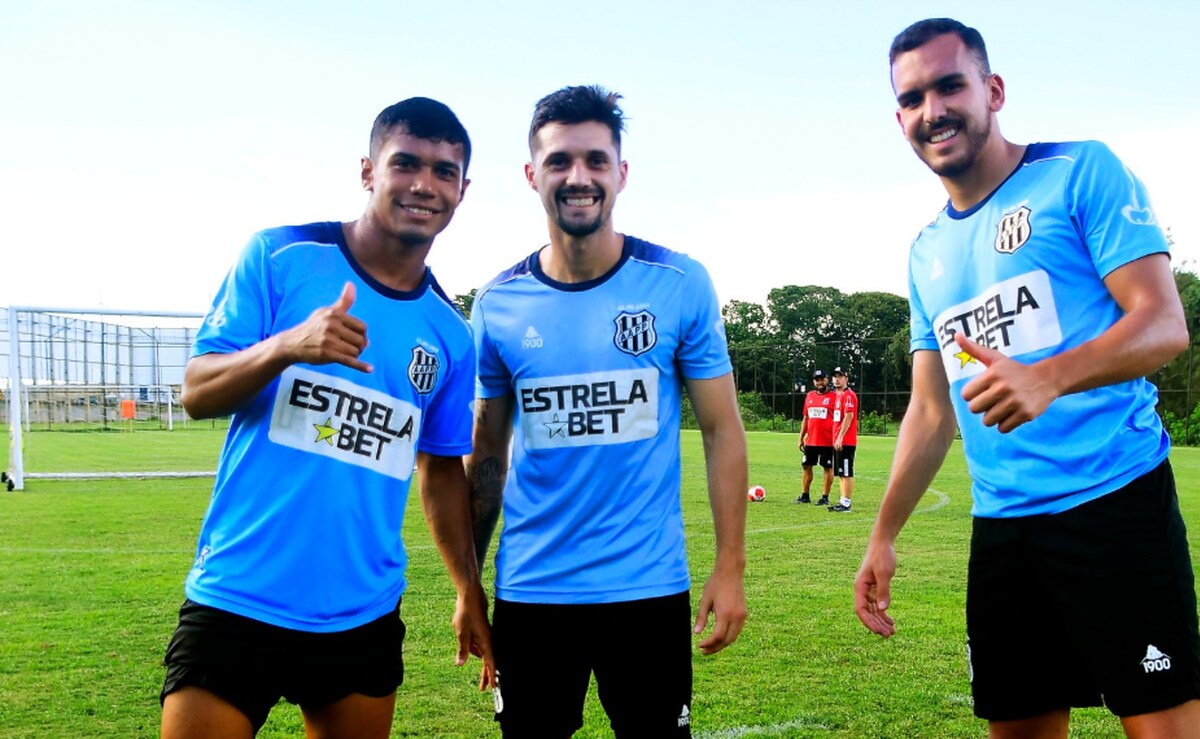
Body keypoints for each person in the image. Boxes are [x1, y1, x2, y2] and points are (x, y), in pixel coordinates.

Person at [853, 18, 1200, 739]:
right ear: (900, 120)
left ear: (992, 90)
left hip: (1115, 503)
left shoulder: (1080, 171)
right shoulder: (926, 251)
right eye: (913, 97)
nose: (934, 110)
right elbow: (930, 410)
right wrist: (883, 533)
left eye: (950, 85)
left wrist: (1049, 377)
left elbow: (1163, 320)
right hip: (1005, 531)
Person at [159, 98, 494, 739]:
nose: (425, 185)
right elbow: (197, 392)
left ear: (462, 190)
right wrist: (289, 345)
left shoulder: (451, 332)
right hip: (239, 596)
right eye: (406, 164)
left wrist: (466, 587)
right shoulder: (281, 257)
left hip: (360, 613)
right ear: (368, 171)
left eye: (444, 172)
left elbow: (441, 469)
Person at [466, 84, 748, 738]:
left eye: (596, 160)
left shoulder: (678, 283)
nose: (578, 176)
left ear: (621, 173)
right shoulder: (498, 304)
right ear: (531, 174)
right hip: (533, 590)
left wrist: (729, 564)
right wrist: (468, 585)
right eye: (560, 160)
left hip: (647, 590)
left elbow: (720, 428)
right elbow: (484, 457)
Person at [796, 369, 836, 505]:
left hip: (828, 441)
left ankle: (825, 497)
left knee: (827, 467)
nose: (819, 382)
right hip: (811, 440)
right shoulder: (810, 396)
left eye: (822, 379)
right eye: (816, 379)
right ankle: (805, 495)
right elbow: (806, 417)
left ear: (827, 380)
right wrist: (801, 437)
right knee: (807, 466)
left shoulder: (835, 397)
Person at [828, 367, 858, 512]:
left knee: (846, 471)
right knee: (840, 472)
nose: (837, 379)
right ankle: (842, 501)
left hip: (846, 441)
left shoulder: (848, 395)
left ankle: (846, 503)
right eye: (834, 377)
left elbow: (849, 416)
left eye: (840, 376)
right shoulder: (837, 395)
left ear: (846, 378)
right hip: (838, 440)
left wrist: (840, 437)